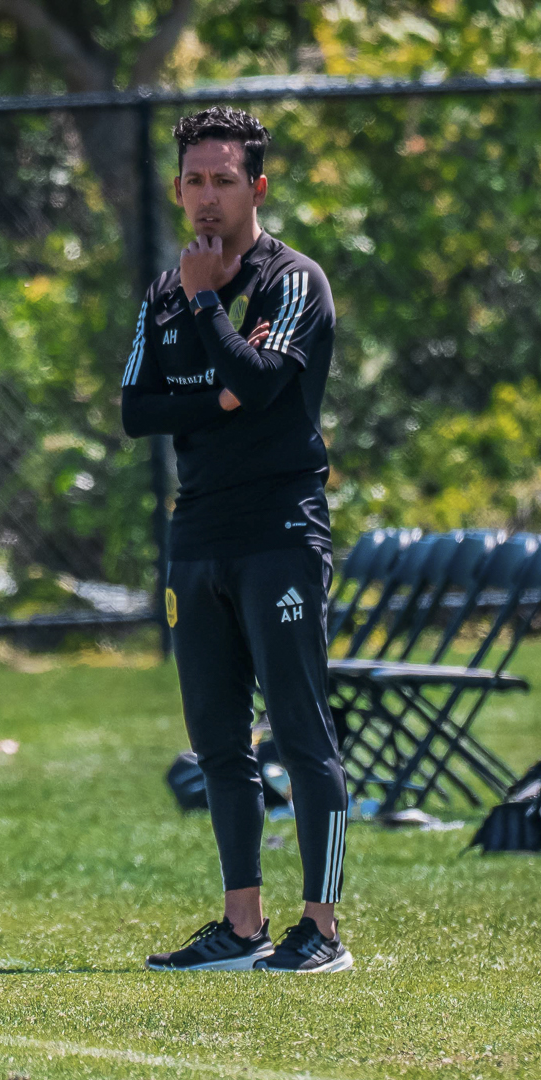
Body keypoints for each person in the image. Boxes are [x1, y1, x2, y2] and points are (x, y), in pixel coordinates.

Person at [119, 106, 352, 975]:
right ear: (177, 189)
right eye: (194, 181)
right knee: (219, 740)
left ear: (258, 186)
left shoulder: (295, 282)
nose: (207, 198)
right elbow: (136, 413)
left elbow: (258, 384)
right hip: (199, 531)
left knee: (300, 731)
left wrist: (211, 305)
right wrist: (213, 395)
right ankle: (242, 927)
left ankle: (322, 931)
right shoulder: (161, 292)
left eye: (224, 180)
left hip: (279, 530)